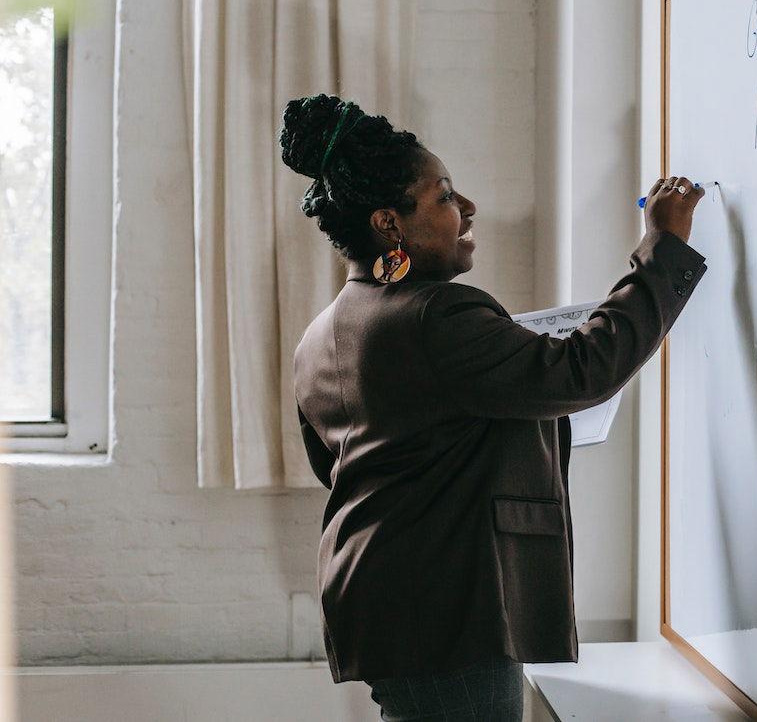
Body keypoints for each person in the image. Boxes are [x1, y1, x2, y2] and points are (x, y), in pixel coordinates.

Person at [280, 93, 708, 721]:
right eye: (444, 196)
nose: (468, 207)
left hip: (380, 602)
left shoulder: (320, 336)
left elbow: (350, 468)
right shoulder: (435, 316)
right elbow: (584, 369)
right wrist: (662, 247)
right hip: (449, 611)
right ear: (389, 224)